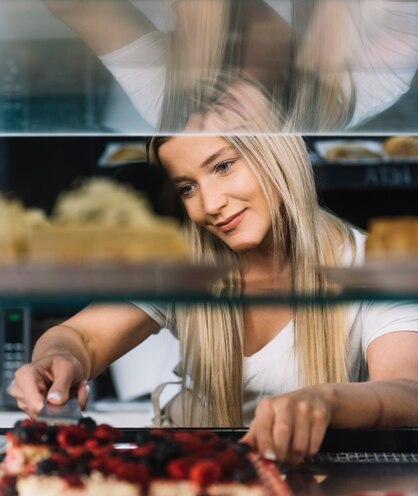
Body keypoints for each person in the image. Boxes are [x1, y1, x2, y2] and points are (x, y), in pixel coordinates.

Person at [9, 134, 418, 464]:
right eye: (188, 188)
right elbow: (83, 338)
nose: (211, 205)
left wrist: (325, 401)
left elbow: (408, 389)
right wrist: (56, 362)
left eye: (223, 166)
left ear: (276, 151)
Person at [41, 0, 418, 132]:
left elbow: (75, 6)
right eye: (225, 164)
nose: (208, 124)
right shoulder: (378, 63)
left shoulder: (177, 110)